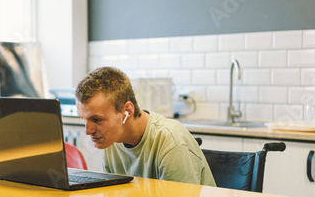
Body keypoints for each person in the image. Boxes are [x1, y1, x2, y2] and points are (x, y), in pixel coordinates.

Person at [75, 66, 216, 186]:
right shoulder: (110, 139)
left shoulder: (170, 140)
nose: (88, 131)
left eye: (97, 120)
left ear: (127, 111)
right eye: (84, 119)